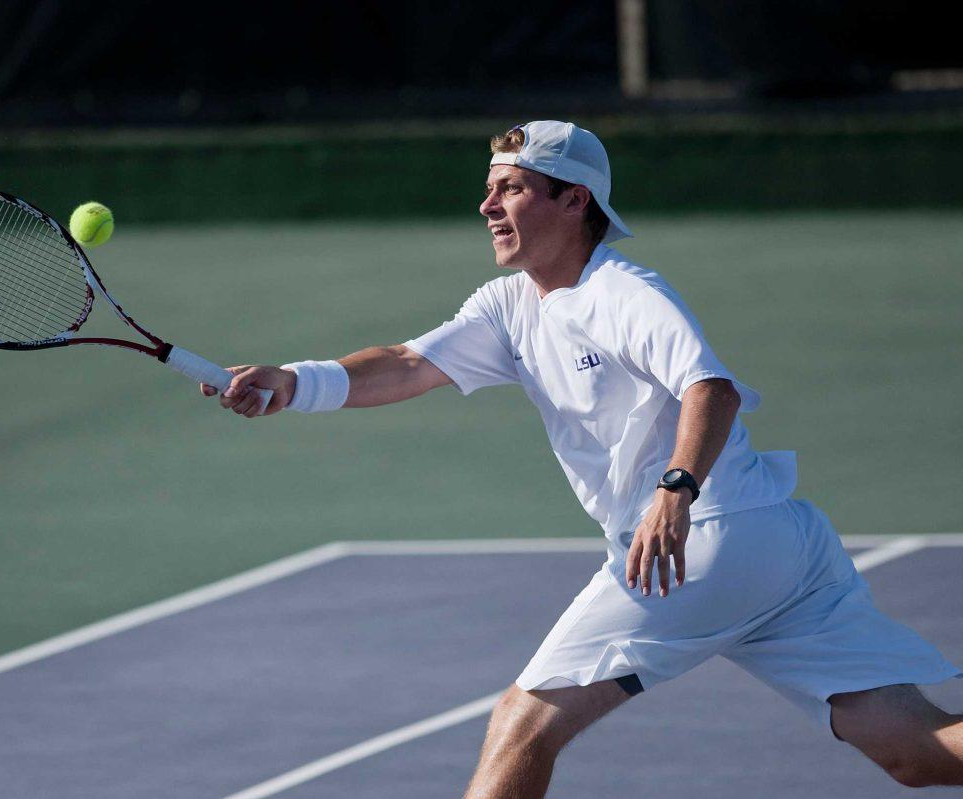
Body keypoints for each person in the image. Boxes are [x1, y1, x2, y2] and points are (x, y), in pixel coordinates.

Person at [201, 120, 963, 796]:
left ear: (574, 202)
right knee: (912, 748)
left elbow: (711, 389)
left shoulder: (625, 293)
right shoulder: (507, 306)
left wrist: (674, 490)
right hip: (780, 549)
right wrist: (293, 382)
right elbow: (406, 364)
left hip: (700, 541)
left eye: (511, 188)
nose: (488, 205)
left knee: (523, 721)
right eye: (489, 190)